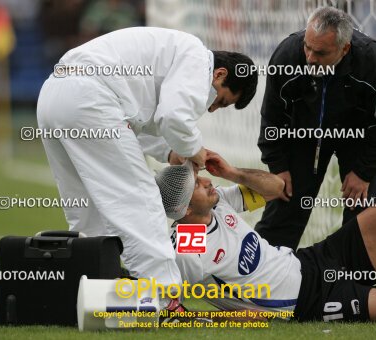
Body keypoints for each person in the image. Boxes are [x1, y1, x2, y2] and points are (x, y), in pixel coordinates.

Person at [36, 27, 258, 310]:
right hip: (89, 100)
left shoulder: (169, 56)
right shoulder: (197, 57)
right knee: (140, 201)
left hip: (54, 95)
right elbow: (173, 117)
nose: (212, 109)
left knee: (87, 212)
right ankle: (166, 301)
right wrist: (195, 150)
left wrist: (170, 151)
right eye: (221, 101)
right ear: (220, 75)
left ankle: (87, 296)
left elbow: (133, 122)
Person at [155, 151, 376, 322]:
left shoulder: (220, 203)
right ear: (186, 207)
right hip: (312, 301)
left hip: (311, 260)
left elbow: (275, 188)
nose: (207, 180)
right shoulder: (187, 241)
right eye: (197, 184)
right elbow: (160, 284)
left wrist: (232, 172)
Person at [256, 6, 376, 249]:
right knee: (284, 206)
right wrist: (278, 166)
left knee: (364, 219)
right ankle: (258, 279)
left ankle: (357, 285)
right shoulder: (287, 55)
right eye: (308, 47)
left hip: (359, 140)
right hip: (303, 136)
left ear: (344, 48)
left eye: (321, 52)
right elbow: (272, 117)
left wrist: (365, 172)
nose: (311, 58)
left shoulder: (374, 62)